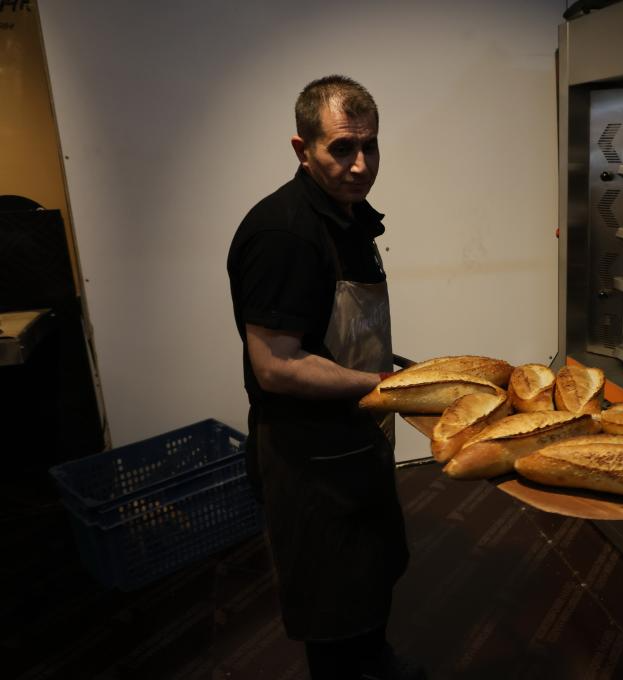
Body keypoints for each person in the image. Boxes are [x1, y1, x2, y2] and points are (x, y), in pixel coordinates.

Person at [227, 75, 422, 680]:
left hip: (358, 435)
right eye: (342, 148)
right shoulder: (284, 234)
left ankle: (377, 664)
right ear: (302, 148)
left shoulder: (349, 217)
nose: (360, 164)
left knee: (371, 573)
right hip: (308, 455)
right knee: (334, 599)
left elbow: (337, 334)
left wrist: (409, 374)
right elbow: (277, 366)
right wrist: (390, 387)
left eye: (370, 145)